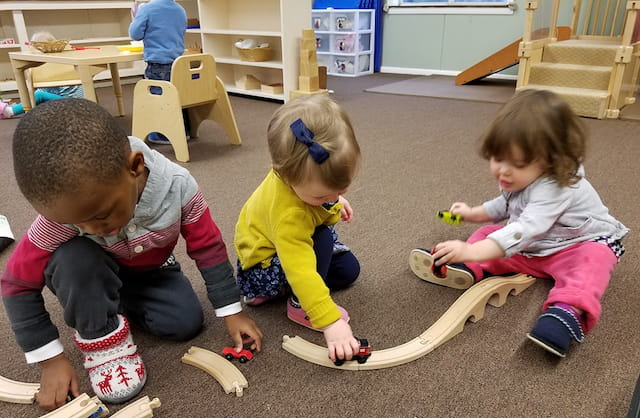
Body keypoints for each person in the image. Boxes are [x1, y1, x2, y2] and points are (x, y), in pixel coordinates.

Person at [1, 98, 263, 411]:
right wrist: (50, 360)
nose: (93, 229)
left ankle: (109, 305)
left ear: (135, 167)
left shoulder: (179, 187)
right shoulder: (65, 219)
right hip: (89, 272)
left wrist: (231, 311)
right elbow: (16, 284)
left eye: (101, 215)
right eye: (76, 221)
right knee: (74, 259)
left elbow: (207, 247)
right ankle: (99, 328)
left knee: (185, 323)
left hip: (152, 271)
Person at [410, 89, 628, 358]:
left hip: (574, 246)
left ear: (551, 161)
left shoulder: (558, 185)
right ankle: (466, 267)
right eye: (498, 158)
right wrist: (471, 213)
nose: (503, 170)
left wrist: (471, 250)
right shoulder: (519, 179)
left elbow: (525, 229)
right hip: (532, 247)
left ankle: (566, 312)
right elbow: (503, 207)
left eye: (518, 163)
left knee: (592, 263)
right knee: (488, 232)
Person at [234, 94, 362, 363]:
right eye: (322, 196)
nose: (332, 199)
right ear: (285, 175)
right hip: (263, 266)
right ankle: (297, 304)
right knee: (324, 238)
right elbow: (300, 268)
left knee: (349, 270)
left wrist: (333, 200)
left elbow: (322, 201)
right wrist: (330, 323)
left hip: (285, 249)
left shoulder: (298, 176)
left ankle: (284, 293)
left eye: (341, 189)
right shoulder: (290, 215)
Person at [129, 0, 188, 144]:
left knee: (157, 99)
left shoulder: (147, 9)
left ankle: (163, 134)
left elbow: (135, 34)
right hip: (178, 62)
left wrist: (137, 15)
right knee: (177, 96)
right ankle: (184, 130)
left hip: (158, 63)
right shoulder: (180, 9)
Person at [0, 32, 84, 119]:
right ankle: (17, 107)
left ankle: (10, 111)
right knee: (40, 96)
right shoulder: (62, 60)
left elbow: (39, 93)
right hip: (79, 102)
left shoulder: (48, 66)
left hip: (73, 103)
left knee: (39, 95)